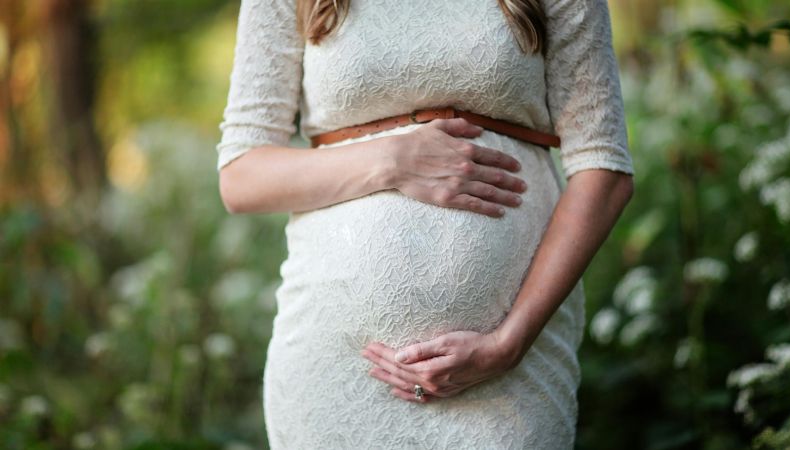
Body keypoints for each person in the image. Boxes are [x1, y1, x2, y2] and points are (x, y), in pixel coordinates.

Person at [215, 0, 635, 448]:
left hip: (512, 373)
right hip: (334, 369)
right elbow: (241, 176)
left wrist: (509, 344)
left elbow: (604, 169)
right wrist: (393, 160)